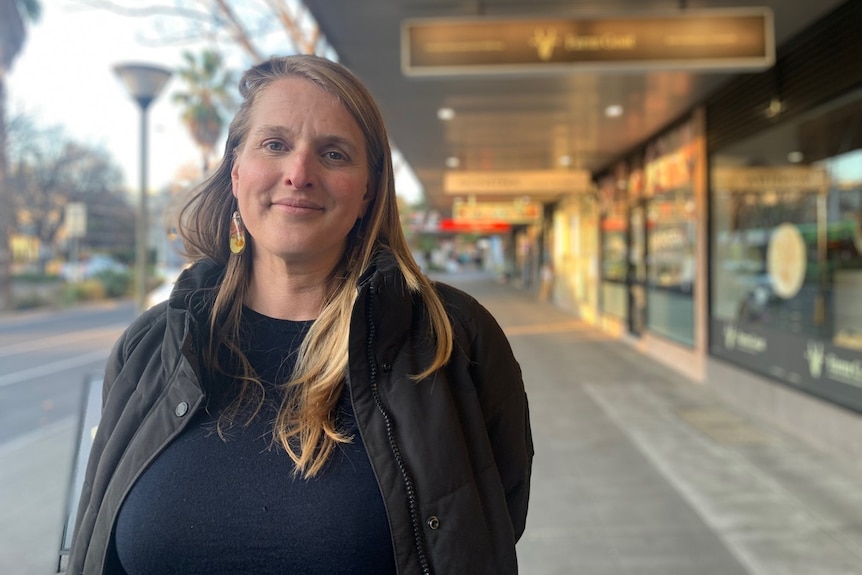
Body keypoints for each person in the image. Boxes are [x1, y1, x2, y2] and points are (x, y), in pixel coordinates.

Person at [68, 54, 533, 574]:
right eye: (275, 144)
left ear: (368, 192)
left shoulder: (452, 339)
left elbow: (487, 523)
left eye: (334, 154)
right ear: (236, 170)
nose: (299, 173)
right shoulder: (150, 346)